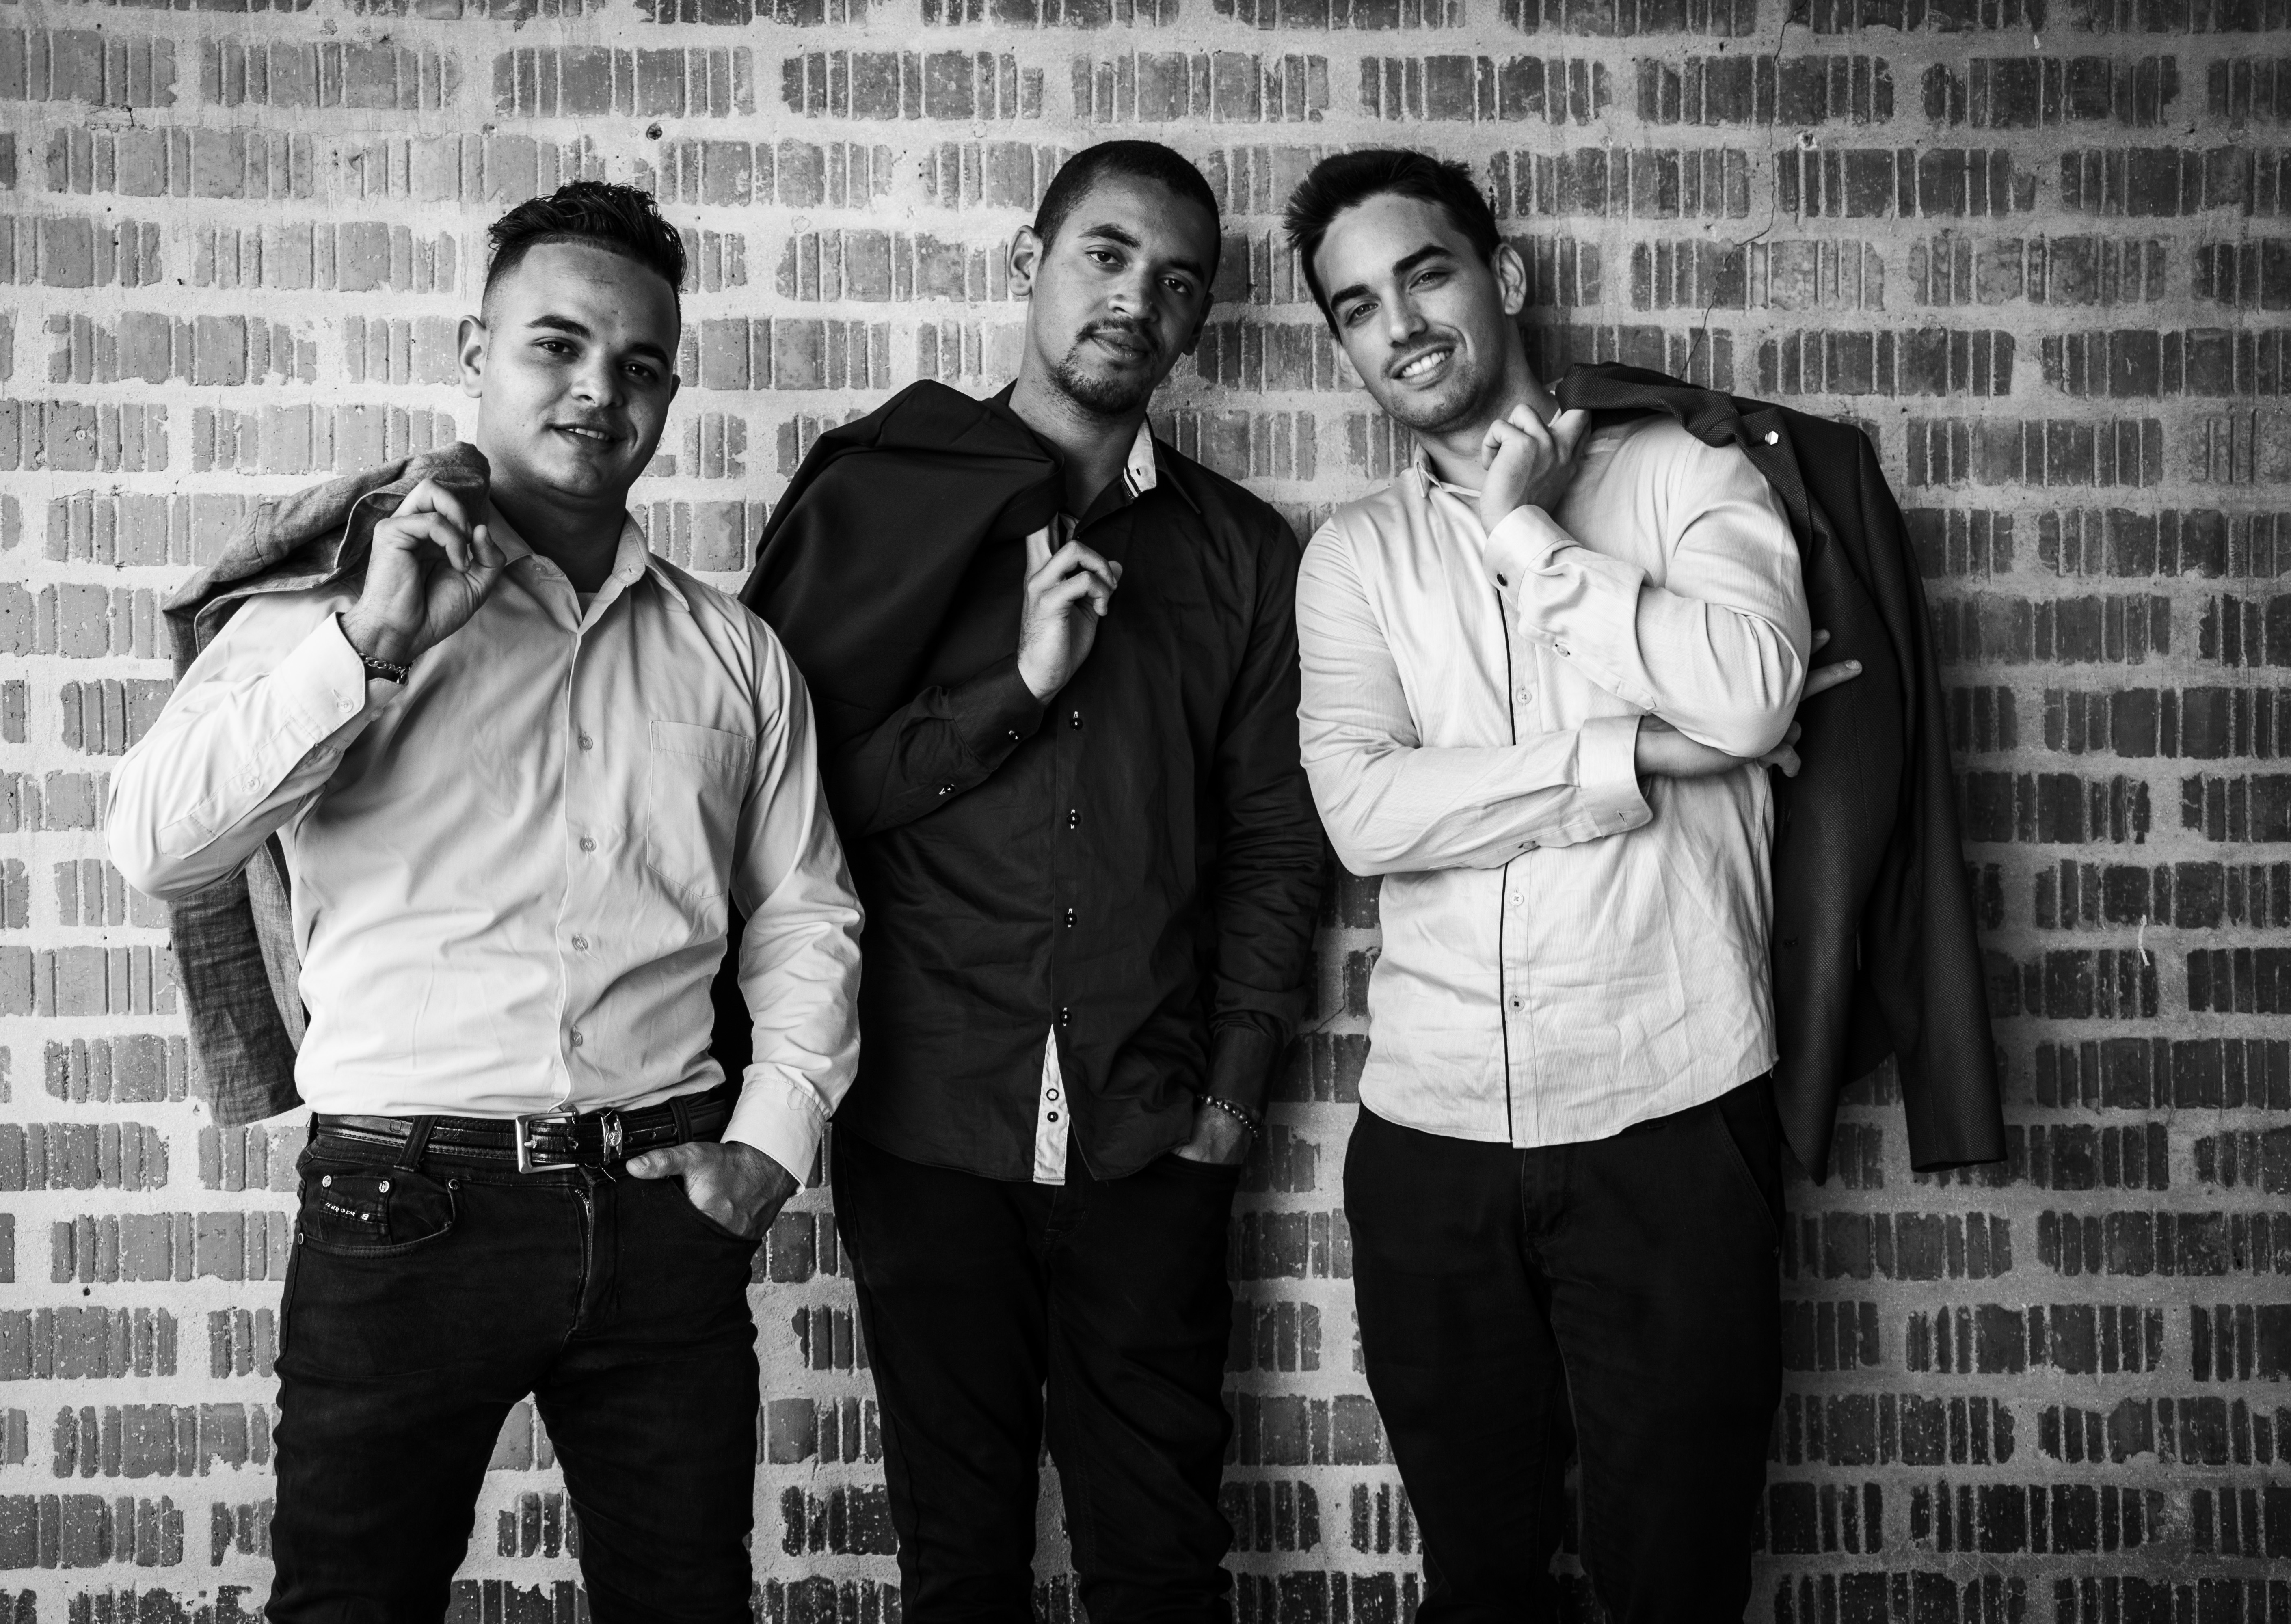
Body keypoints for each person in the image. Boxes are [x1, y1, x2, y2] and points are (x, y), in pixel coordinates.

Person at [107, 181, 862, 1624]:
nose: (599, 390)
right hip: (402, 1211)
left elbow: (805, 918)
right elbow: (160, 844)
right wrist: (372, 642)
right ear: (477, 350)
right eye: (557, 345)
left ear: (669, 393)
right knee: (352, 1607)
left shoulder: (732, 652)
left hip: (661, 1210)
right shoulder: (328, 608)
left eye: (640, 366)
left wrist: (770, 1145)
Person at [736, 140, 1326, 1623]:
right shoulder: (890, 497)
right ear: (1029, 262)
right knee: (960, 1565)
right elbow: (798, 804)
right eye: (1107, 256)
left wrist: (1232, 1095)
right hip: (929, 1119)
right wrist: (1018, 686)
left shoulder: (1239, 553)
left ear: (1198, 323)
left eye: (1177, 284)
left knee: (1162, 1564)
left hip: (1152, 1130)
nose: (1137, 300)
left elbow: (1274, 838)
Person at [1284, 149, 1860, 1619]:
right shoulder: (1352, 557)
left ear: (1506, 276)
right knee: (1480, 1587)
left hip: (1670, 1108)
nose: (1402, 326)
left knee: (1674, 1584)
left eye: (1425, 276)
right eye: (1358, 308)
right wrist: (1634, 755)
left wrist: (1524, 533)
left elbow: (1750, 698)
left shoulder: (1690, 475)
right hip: (1434, 1140)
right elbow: (1363, 813)